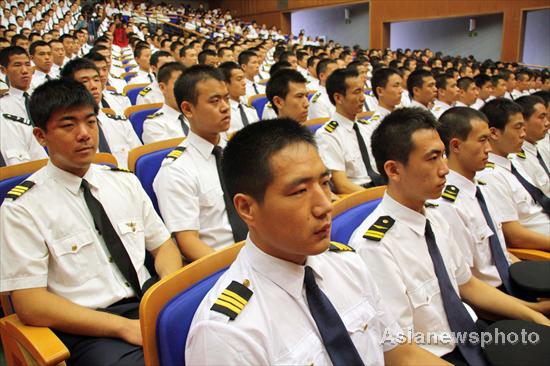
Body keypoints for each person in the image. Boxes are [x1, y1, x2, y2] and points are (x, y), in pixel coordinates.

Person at [185, 118, 448, 365]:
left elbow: (400, 354)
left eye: (324, 183)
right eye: (300, 191)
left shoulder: (347, 263)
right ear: (247, 209)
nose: (325, 206)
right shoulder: (226, 333)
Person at [0, 78, 182, 365]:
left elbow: (164, 247)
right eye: (68, 125)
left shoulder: (124, 182)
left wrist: (167, 298)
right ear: (40, 136)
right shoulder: (22, 208)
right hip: (90, 328)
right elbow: (29, 303)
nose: (84, 134)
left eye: (91, 121)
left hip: (148, 304)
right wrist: (123, 327)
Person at [349, 107, 550, 364]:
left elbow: (467, 284)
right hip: (440, 355)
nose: (445, 169)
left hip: (475, 337)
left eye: (443, 155)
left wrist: (534, 314)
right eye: (432, 158)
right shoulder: (375, 246)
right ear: (394, 170)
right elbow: (400, 352)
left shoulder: (435, 215)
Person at [436, 107, 550, 302]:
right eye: (482, 140)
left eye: (488, 139)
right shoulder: (448, 204)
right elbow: (467, 286)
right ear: (455, 146)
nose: (489, 148)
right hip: (495, 298)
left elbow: (501, 253)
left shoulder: (479, 188)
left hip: (513, 280)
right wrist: (531, 309)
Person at [153, 65, 247, 261]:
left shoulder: (241, 151)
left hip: (261, 252)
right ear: (188, 109)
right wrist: (239, 271)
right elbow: (188, 242)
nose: (225, 107)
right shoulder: (176, 170)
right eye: (214, 101)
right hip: (221, 264)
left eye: (226, 98)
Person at [477, 98, 550, 250]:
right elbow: (515, 237)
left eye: (524, 128)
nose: (523, 134)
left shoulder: (513, 163)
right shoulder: (490, 176)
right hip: (539, 250)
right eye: (517, 128)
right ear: (494, 133)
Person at [61, 58, 142, 168]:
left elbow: (138, 160)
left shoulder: (120, 122)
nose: (93, 86)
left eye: (96, 80)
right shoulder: (65, 133)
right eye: (85, 81)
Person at [316, 68, 384, 194]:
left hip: (380, 186)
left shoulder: (366, 128)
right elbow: (341, 185)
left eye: (363, 91)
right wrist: (379, 197)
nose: (363, 98)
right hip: (358, 195)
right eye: (357, 92)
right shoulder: (327, 135)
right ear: (338, 98)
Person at [142, 61, 188, 144]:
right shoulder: (154, 124)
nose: (184, 90)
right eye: (178, 85)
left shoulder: (199, 115)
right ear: (162, 88)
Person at [512, 95, 550, 196]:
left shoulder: (540, 146)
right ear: (523, 121)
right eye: (541, 117)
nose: (547, 123)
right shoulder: (517, 159)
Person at [219, 61, 259, 135]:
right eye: (239, 79)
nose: (244, 83)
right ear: (224, 83)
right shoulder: (221, 114)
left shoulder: (251, 110)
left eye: (243, 78)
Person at [0, 46, 33, 121]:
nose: (25, 71)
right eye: (17, 65)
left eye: (28, 64)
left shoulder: (46, 96)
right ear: (3, 70)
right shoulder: (2, 104)